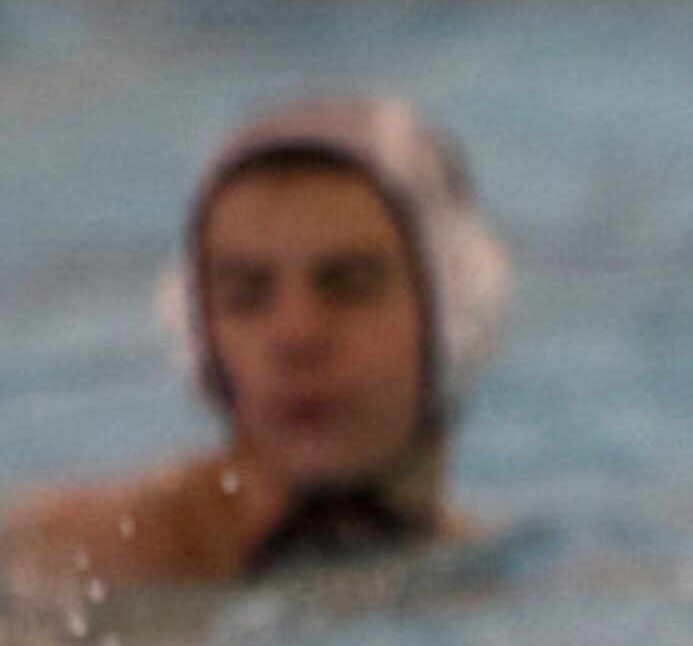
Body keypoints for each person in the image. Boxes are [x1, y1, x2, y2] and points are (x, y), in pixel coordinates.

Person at [1, 95, 510, 617]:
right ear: (200, 339)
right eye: (244, 296)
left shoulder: (497, 586)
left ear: (453, 317)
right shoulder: (64, 559)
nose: (297, 336)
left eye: (351, 285)